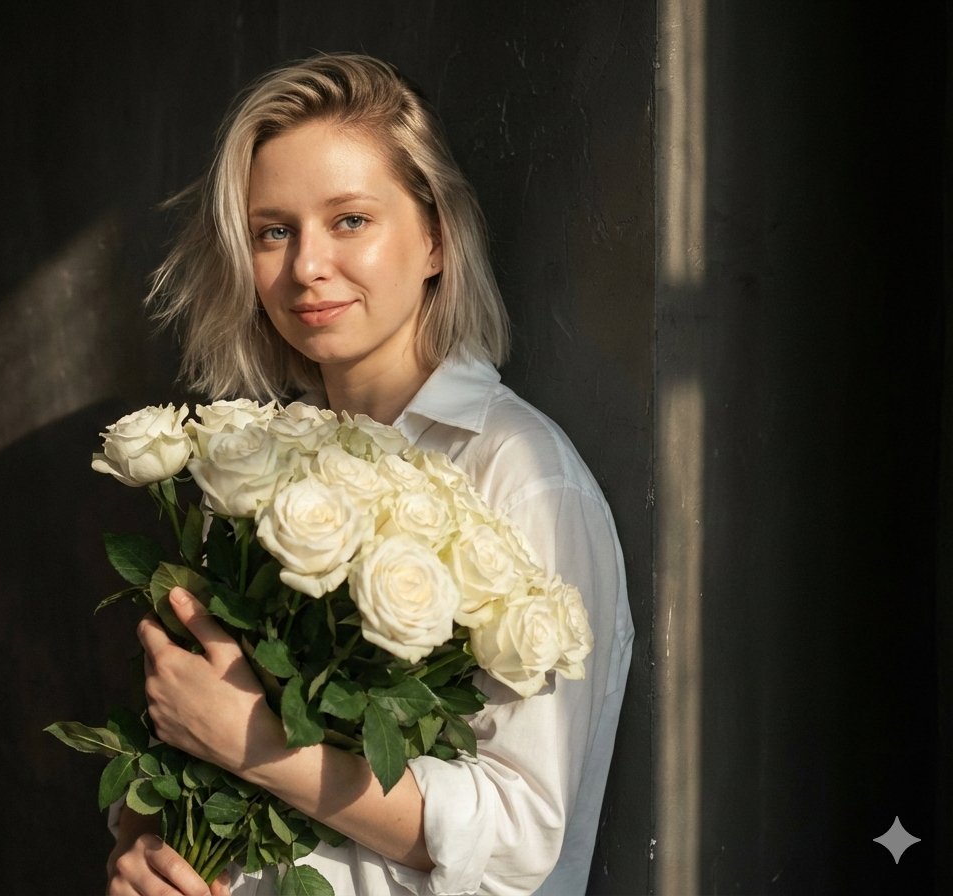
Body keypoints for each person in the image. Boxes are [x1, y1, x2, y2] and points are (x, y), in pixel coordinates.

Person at [106, 53, 634, 896]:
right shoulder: (249, 472)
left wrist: (263, 747)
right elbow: (180, 738)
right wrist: (141, 847)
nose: (306, 266)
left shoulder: (521, 474)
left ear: (434, 237)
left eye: (349, 220)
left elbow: (521, 833)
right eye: (274, 231)